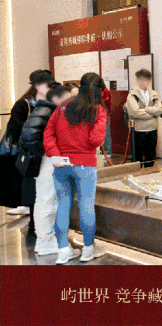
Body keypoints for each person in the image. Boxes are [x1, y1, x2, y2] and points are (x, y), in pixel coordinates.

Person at [43, 72, 108, 264]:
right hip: (85, 164)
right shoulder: (98, 109)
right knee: (86, 206)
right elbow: (95, 139)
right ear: (99, 90)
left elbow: (48, 133)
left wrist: (55, 154)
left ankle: (63, 250)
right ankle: (88, 249)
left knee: (63, 206)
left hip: (61, 164)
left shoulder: (64, 106)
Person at [19, 84, 71, 255]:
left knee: (43, 201)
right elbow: (34, 138)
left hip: (42, 162)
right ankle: (47, 241)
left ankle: (43, 241)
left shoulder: (40, 109)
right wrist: (47, 153)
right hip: (48, 162)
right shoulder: (50, 113)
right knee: (49, 202)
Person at [1, 70, 55, 217]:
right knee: (25, 174)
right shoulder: (23, 104)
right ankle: (25, 204)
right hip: (23, 148)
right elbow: (14, 127)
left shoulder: (49, 104)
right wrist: (33, 136)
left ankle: (31, 204)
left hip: (40, 146)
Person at [125, 69, 162, 167]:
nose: (142, 82)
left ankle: (149, 174)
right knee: (137, 157)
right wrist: (152, 113)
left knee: (151, 156)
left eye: (145, 80)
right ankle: (137, 175)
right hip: (138, 130)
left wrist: (145, 109)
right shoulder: (132, 94)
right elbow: (135, 112)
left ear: (149, 80)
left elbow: (160, 110)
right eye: (140, 79)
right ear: (137, 80)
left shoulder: (153, 93)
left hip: (152, 129)